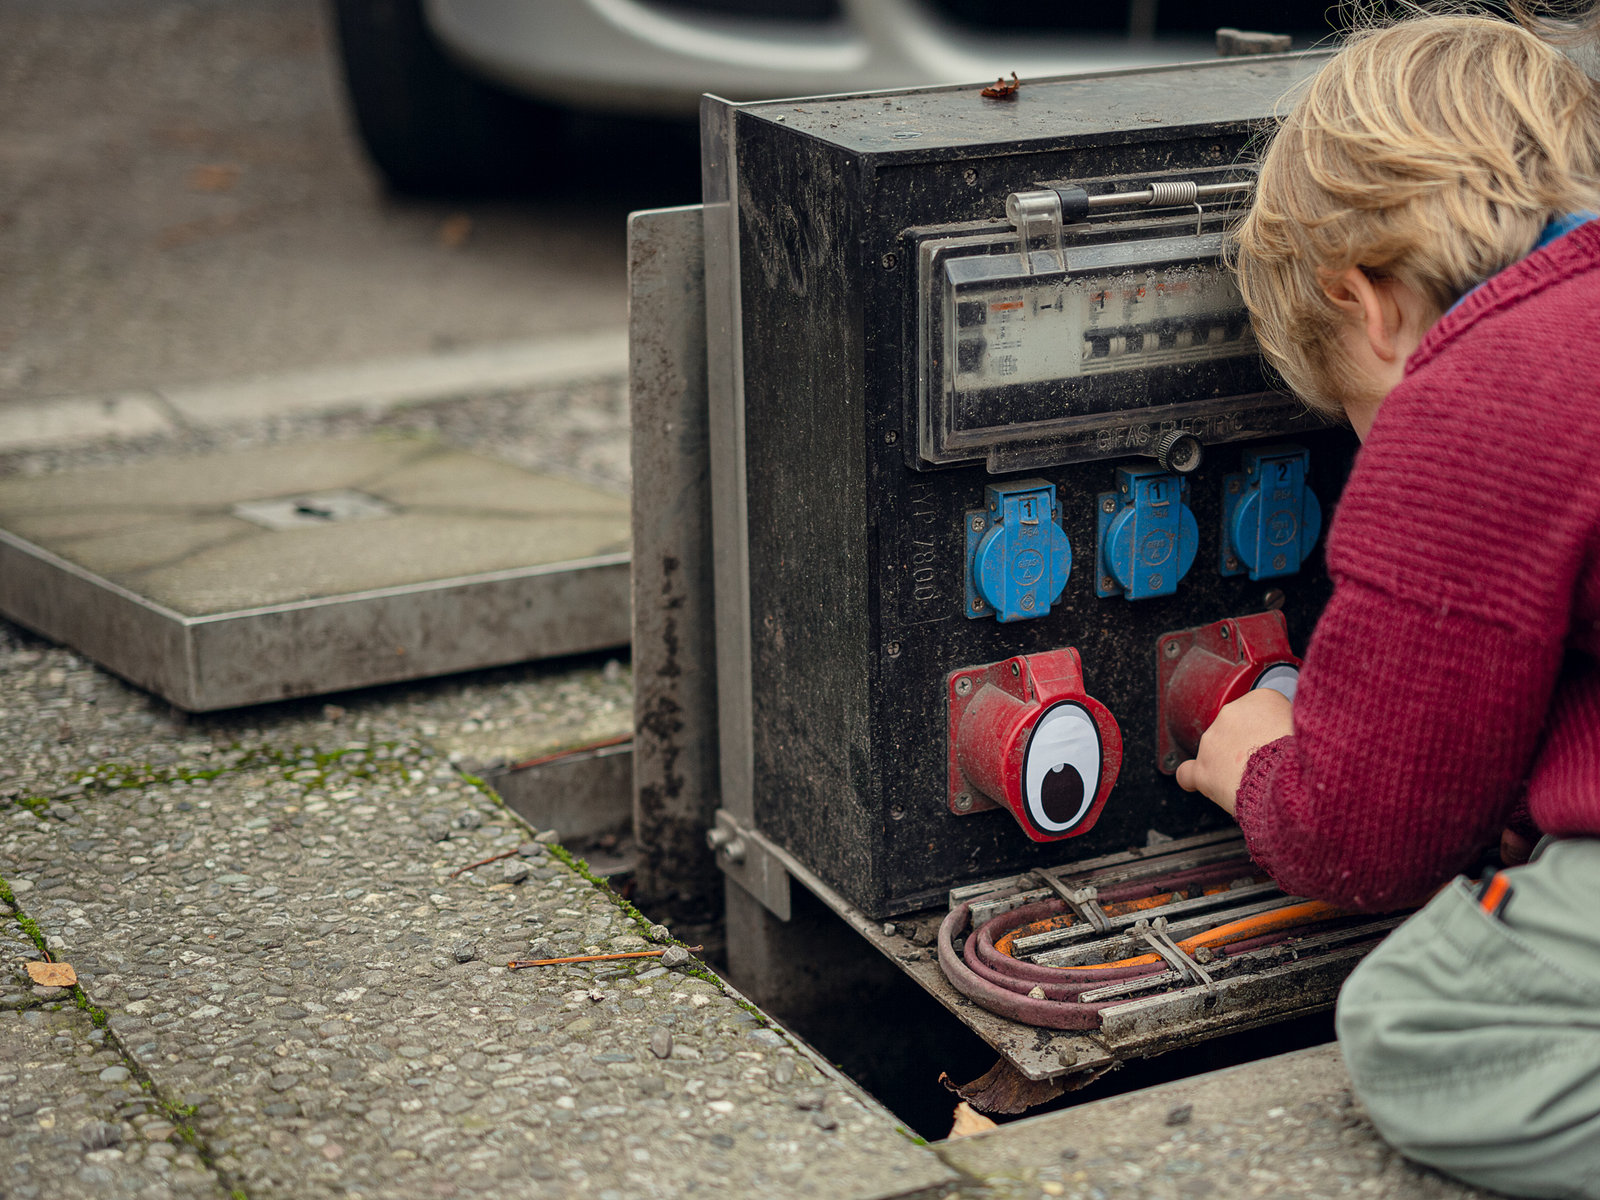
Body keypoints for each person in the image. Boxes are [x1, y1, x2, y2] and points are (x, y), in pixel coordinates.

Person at [1174, 13, 1600, 1198]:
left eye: (1353, 418)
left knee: (1422, 1026)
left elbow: (1369, 838)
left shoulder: (1475, 391)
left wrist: (1263, 762)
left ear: (1363, 302)